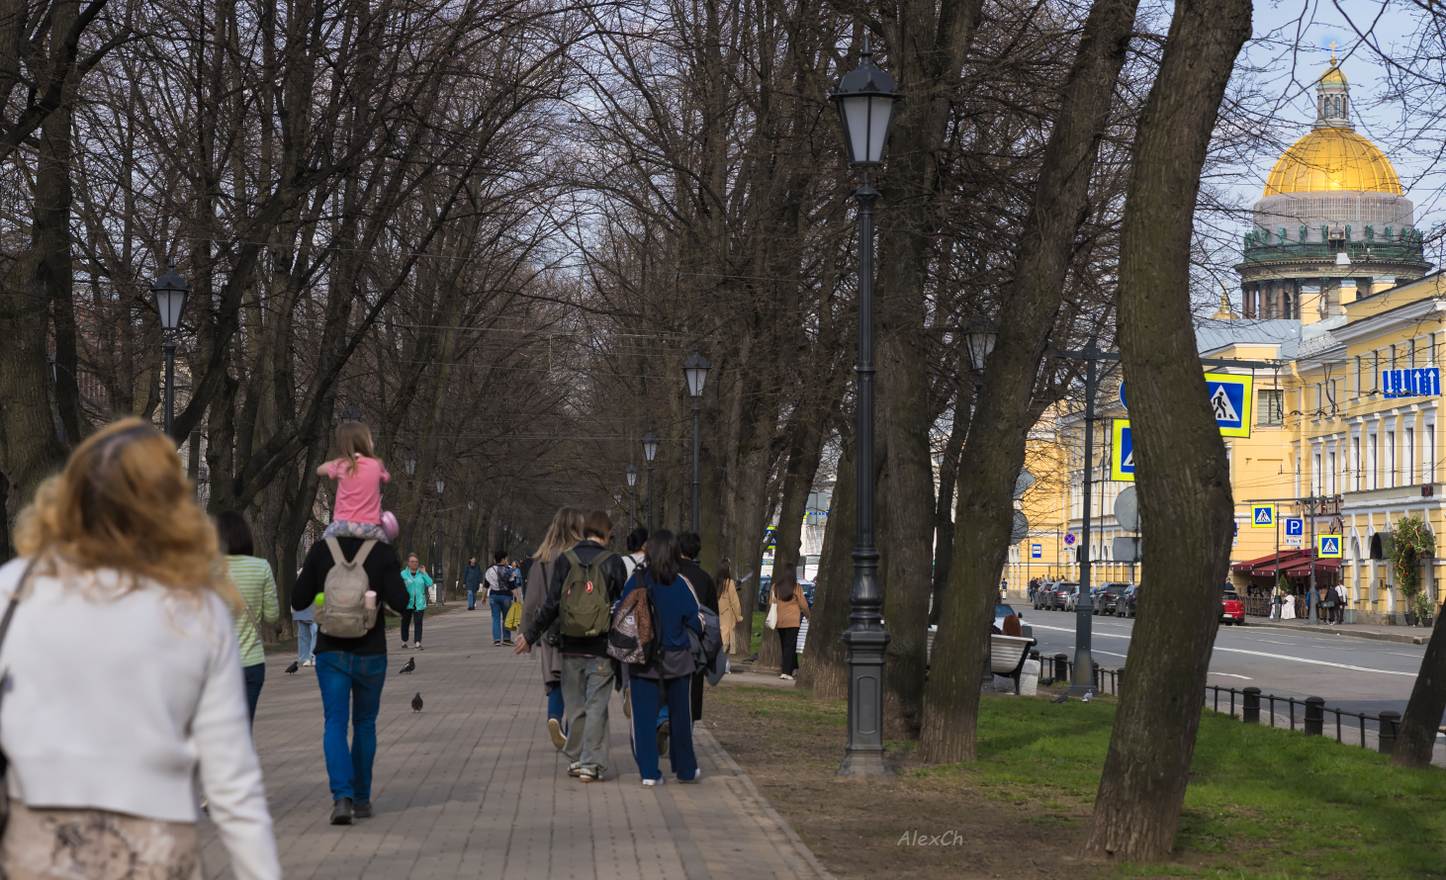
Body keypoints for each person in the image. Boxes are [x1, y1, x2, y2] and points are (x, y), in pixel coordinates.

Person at [0, 418, 281, 880]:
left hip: (37, 844)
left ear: (70, 496)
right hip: (153, 848)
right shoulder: (197, 610)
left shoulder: (16, 588)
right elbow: (232, 785)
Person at [294, 521, 409, 824]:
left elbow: (298, 599)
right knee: (365, 724)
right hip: (371, 652)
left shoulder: (321, 549)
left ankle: (341, 798)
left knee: (335, 723)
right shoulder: (383, 552)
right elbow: (401, 601)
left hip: (331, 651)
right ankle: (361, 798)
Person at [515, 511, 627, 783]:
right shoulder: (613, 562)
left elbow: (552, 604)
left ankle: (576, 759)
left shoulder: (566, 560)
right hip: (601, 647)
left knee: (576, 707)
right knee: (597, 706)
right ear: (606, 533)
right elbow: (623, 607)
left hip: (570, 647)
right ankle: (591, 764)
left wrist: (530, 635)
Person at [623, 529, 705, 786]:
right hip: (677, 660)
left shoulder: (635, 581)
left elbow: (621, 612)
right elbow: (697, 620)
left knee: (643, 719)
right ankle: (685, 770)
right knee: (681, 718)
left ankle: (649, 773)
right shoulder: (680, 583)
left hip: (642, 659)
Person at [520, 507, 585, 750]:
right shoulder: (581, 554)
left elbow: (531, 599)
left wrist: (526, 635)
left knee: (556, 678)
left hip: (549, 629)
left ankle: (554, 717)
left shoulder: (543, 557)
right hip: (579, 627)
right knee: (577, 684)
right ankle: (572, 736)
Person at [216, 509, 281, 724]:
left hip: (218, 663)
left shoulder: (206, 570)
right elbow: (272, 616)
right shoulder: (261, 567)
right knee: (244, 730)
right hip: (252, 663)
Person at [316, 423, 391, 541]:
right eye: (370, 439)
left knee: (322, 546)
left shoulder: (342, 464)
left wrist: (336, 463)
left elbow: (320, 470)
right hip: (370, 526)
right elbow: (387, 477)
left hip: (343, 524)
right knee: (387, 550)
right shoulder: (376, 464)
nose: (373, 442)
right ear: (364, 443)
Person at [678, 532, 717, 722]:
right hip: (698, 642)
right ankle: (688, 732)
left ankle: (666, 721)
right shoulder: (705, 579)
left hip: (672, 641)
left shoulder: (668, 575)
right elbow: (712, 618)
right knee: (693, 694)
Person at [769, 562, 810, 681]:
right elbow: (803, 604)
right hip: (792, 621)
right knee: (790, 645)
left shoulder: (775, 587)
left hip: (780, 621)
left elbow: (772, 603)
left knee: (785, 645)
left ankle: (793, 667)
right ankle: (786, 672)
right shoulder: (796, 587)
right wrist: (808, 615)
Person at [486, 550, 519, 645]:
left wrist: (483, 596)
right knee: (506, 618)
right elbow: (512, 586)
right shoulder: (508, 571)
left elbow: (486, 585)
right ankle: (506, 638)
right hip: (505, 596)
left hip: (493, 596)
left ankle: (496, 640)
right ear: (503, 559)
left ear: (495, 560)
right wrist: (517, 597)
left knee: (495, 618)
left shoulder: (490, 570)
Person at [400, 553, 431, 649]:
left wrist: (424, 573)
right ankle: (404, 641)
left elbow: (429, 583)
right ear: (408, 563)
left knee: (418, 622)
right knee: (405, 622)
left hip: (419, 603)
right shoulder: (403, 574)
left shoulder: (421, 574)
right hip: (407, 602)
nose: (414, 564)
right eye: (412, 562)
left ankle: (417, 642)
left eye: (416, 562)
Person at [715, 558, 743, 656]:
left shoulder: (715, 582)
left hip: (715, 614)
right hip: (726, 615)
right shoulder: (729, 583)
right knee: (726, 640)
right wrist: (738, 616)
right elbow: (734, 601)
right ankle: (724, 664)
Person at [295, 598, 318, 667]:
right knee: (303, 633)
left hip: (315, 607)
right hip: (301, 607)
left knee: (316, 631)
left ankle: (314, 656)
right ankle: (307, 658)